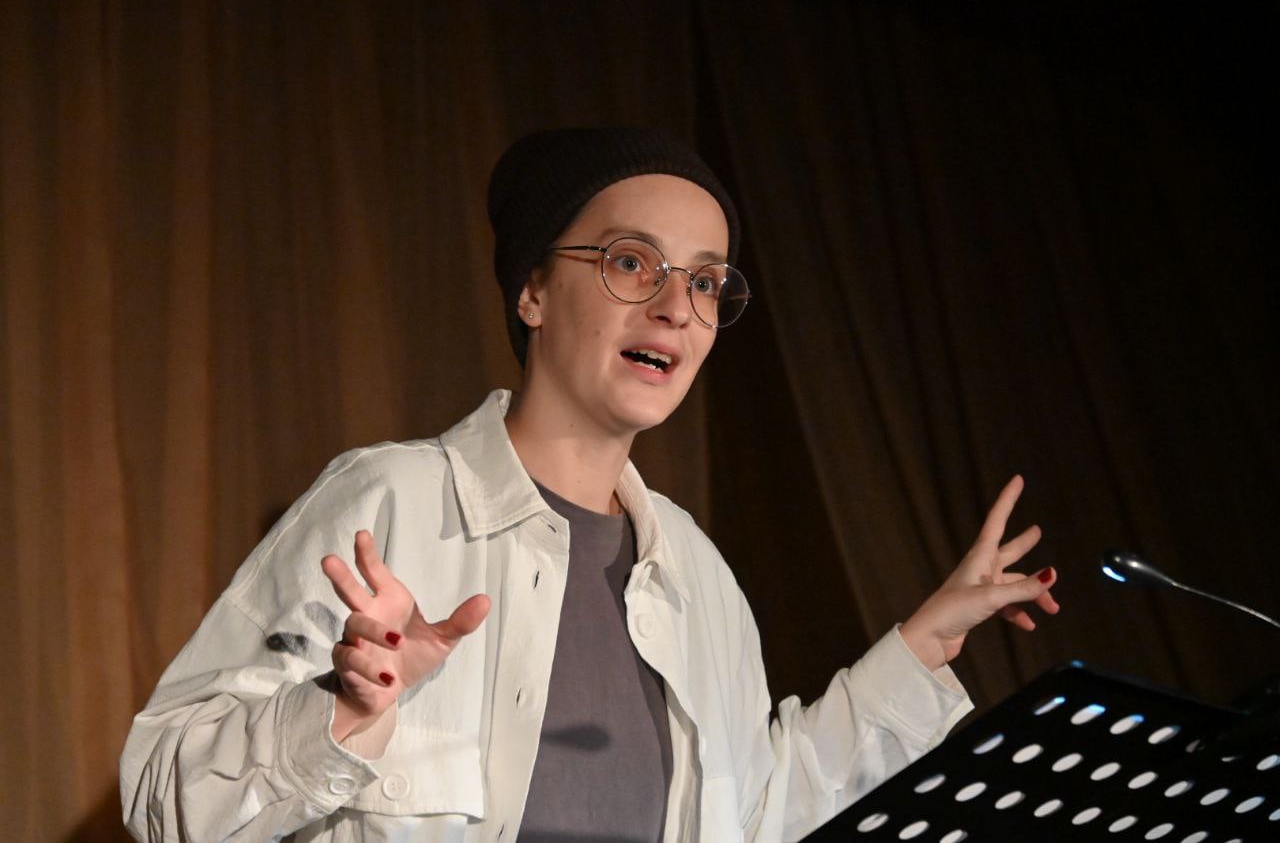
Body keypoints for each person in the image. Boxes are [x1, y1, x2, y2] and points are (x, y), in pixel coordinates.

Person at [120, 128, 1059, 842]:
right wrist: (343, 712)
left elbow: (762, 818)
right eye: (631, 262)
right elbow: (162, 794)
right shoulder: (391, 502)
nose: (674, 306)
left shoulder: (696, 575)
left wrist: (928, 641)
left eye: (705, 281)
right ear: (531, 291)